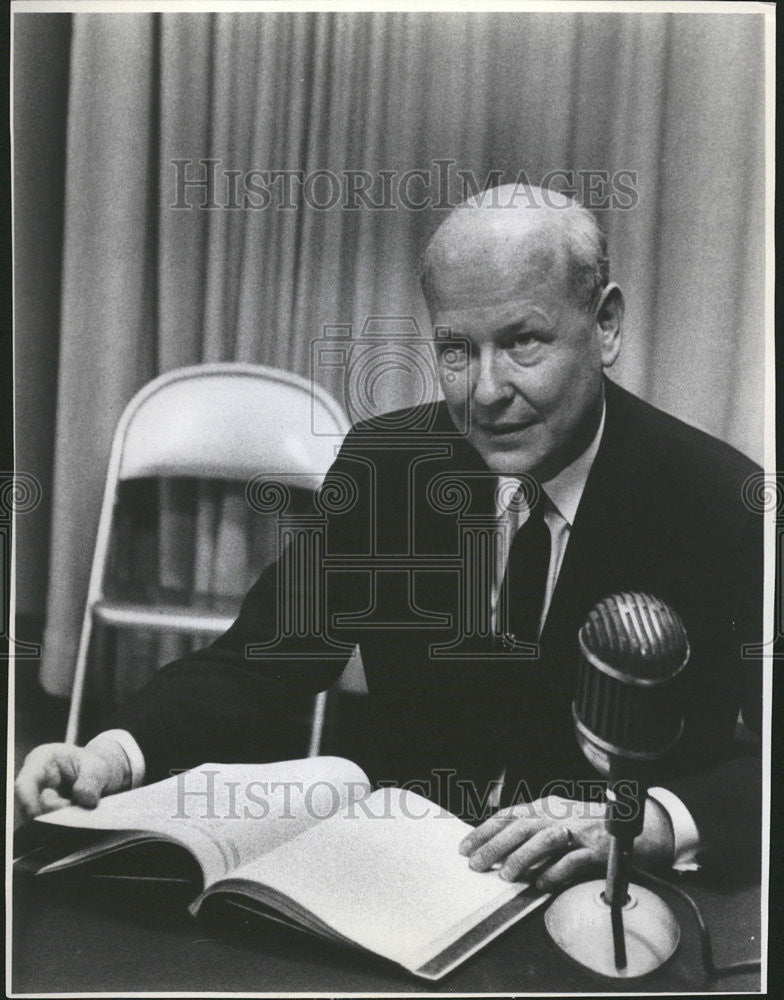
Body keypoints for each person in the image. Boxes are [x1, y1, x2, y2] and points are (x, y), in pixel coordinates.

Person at [16, 186, 762, 890]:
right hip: (408, 880)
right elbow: (259, 661)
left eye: (523, 342)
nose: (486, 391)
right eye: (456, 350)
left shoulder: (722, 503)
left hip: (613, 902)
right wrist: (109, 756)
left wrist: (649, 823)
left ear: (605, 326)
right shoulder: (389, 465)